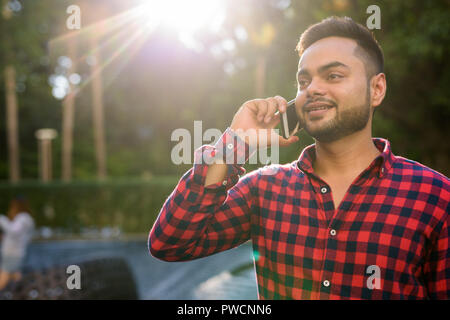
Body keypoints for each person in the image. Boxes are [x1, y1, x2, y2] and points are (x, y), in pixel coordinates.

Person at [149, 16, 449, 299]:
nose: (313, 89)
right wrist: (235, 141)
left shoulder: (436, 198)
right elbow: (170, 243)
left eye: (333, 75)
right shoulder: (264, 188)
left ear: (376, 89)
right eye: (304, 82)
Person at [0, 196, 35, 290]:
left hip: (13, 253)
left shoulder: (24, 218)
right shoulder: (25, 218)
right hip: (14, 253)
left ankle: (27, 290)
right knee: (15, 275)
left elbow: (13, 231)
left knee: (4, 276)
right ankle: (26, 291)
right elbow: (20, 235)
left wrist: (2, 219)